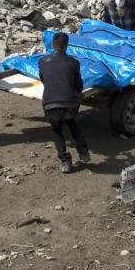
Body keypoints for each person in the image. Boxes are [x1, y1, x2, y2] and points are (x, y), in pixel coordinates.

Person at [39, 32, 89, 173]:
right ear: (67, 46)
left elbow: (43, 79)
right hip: (70, 105)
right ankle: (83, 152)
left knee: (56, 129)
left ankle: (65, 161)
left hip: (50, 104)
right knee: (71, 122)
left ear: (53, 45)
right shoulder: (74, 62)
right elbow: (79, 85)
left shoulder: (42, 61)